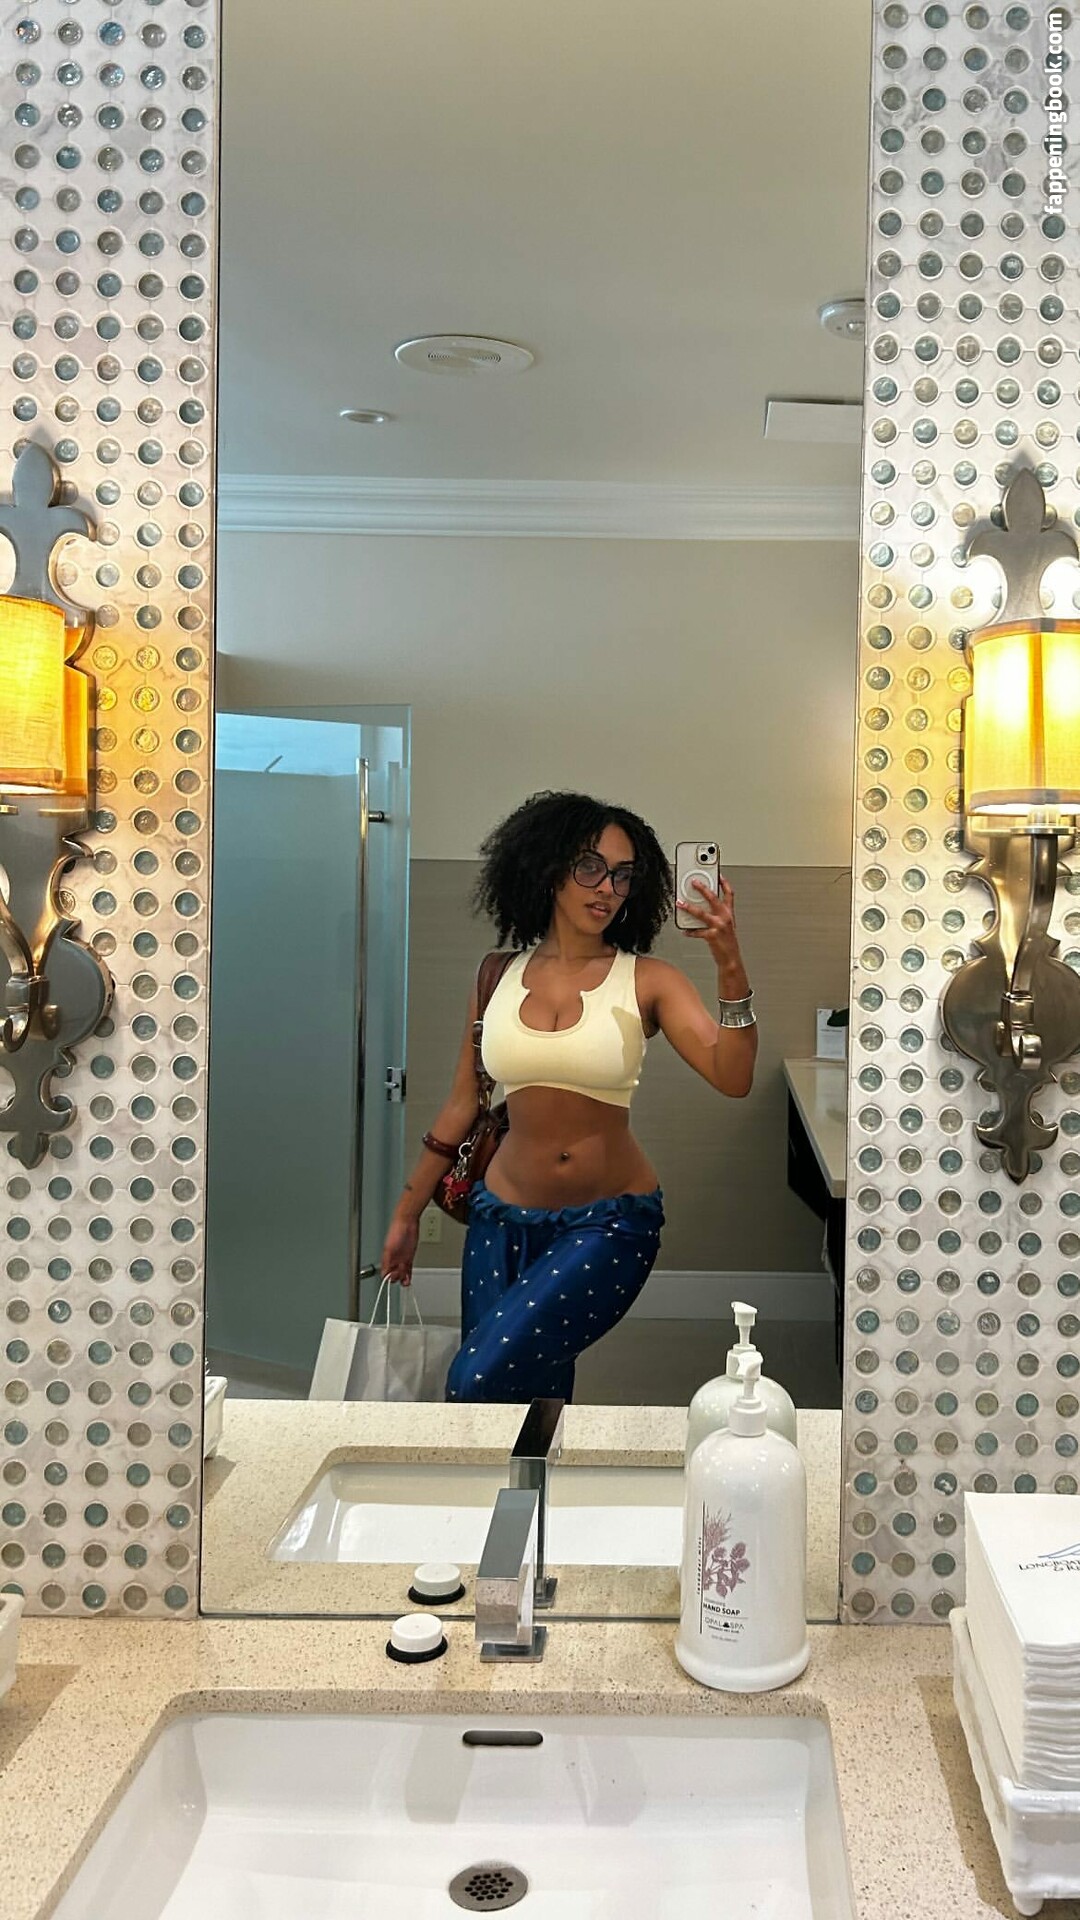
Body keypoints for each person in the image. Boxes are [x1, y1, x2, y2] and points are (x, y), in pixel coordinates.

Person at [379, 791, 758, 1402]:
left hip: (608, 1224)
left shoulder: (648, 979)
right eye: (590, 867)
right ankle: (534, 1470)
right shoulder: (496, 975)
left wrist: (729, 963)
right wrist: (406, 1214)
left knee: (475, 1380)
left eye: (623, 875)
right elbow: (461, 1104)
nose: (607, 887)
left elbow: (732, 1075)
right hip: (498, 1219)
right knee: (532, 1394)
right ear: (550, 869)